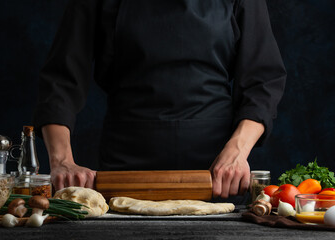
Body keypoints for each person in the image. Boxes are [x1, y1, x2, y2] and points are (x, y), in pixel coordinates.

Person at [33, 0, 286, 199]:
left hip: (217, 176)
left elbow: (262, 81)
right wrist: (61, 161)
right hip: (125, 171)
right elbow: (60, 81)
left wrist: (237, 151)